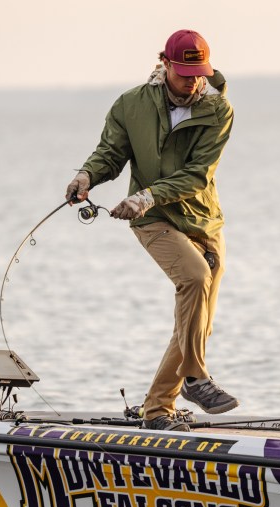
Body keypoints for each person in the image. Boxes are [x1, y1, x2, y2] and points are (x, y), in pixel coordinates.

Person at [65, 29, 238, 432]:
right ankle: (195, 378)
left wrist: (146, 195)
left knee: (196, 320)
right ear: (165, 64)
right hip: (152, 219)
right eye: (184, 74)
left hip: (202, 219)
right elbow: (111, 153)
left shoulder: (218, 110)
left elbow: (197, 175)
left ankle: (158, 411)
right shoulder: (131, 105)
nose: (192, 82)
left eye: (198, 74)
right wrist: (87, 175)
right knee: (194, 278)